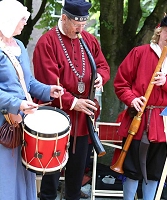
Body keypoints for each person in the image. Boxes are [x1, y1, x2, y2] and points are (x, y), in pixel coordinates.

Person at [32, 0, 110, 199]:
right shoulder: (47, 41)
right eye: (77, 25)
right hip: (56, 118)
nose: (80, 29)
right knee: (51, 176)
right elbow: (47, 82)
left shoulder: (89, 40)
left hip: (83, 120)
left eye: (84, 25)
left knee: (77, 175)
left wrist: (100, 76)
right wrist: (74, 102)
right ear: (64, 18)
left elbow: (102, 65)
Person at [114, 11, 167, 200]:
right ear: (159, 31)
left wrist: (166, 82)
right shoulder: (139, 53)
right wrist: (132, 98)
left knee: (155, 171)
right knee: (132, 168)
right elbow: (121, 83)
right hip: (138, 118)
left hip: (163, 123)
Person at [0, 0, 64, 200]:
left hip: (23, 119)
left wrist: (48, 90)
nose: (25, 23)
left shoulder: (18, 45)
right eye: (22, 19)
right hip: (4, 122)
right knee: (6, 174)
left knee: (23, 171)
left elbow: (27, 82)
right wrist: (16, 103)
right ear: (8, 20)